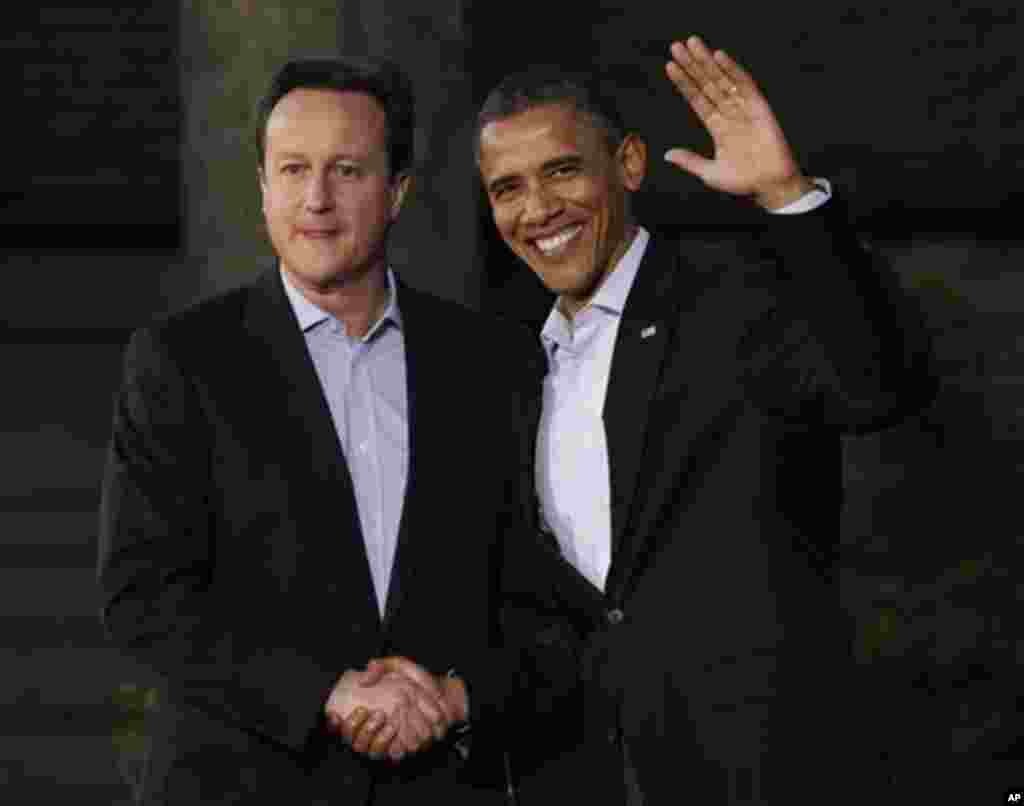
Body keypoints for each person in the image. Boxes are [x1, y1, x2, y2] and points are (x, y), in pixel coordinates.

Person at [97, 58, 578, 805]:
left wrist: (459, 697)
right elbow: (143, 595)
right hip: (241, 786)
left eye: (346, 171)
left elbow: (542, 599)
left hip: (438, 786)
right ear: (263, 186)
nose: (316, 199)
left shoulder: (493, 364)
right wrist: (326, 692)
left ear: (398, 192)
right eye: (294, 169)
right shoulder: (181, 361)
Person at [470, 36, 937, 803]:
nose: (538, 210)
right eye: (507, 188)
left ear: (628, 163)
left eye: (561, 171)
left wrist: (789, 198)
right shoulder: (514, 369)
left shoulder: (731, 302)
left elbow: (881, 385)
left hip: (763, 776)